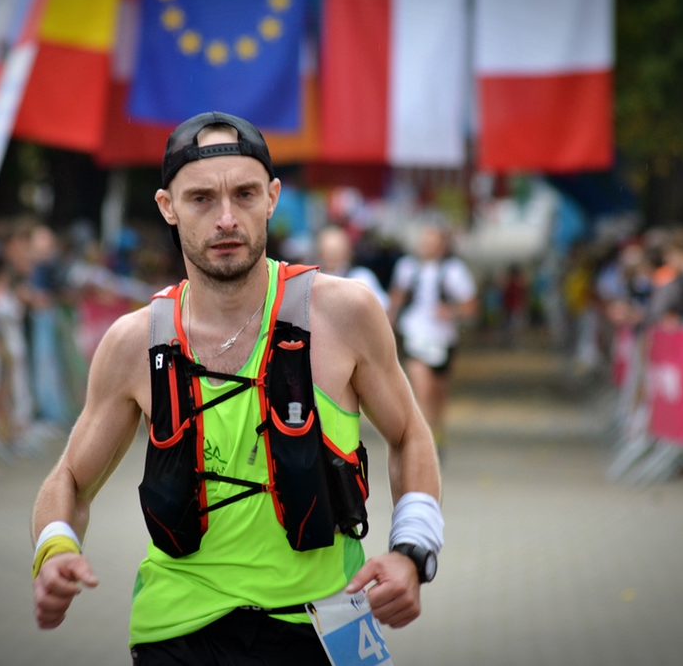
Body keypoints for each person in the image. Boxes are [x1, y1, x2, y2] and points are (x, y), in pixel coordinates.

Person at [30, 112, 442, 665]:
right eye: (201, 199)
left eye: (244, 194)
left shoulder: (343, 312)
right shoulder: (135, 342)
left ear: (271, 197)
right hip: (178, 628)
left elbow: (410, 434)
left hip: (327, 620)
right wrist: (55, 548)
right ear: (167, 206)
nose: (226, 218)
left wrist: (412, 550)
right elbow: (70, 480)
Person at [388, 223, 477, 453]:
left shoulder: (454, 271)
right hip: (414, 334)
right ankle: (423, 442)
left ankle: (437, 433)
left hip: (443, 339)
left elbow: (470, 306)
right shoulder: (407, 267)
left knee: (438, 394)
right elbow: (396, 298)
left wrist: (451, 311)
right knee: (422, 389)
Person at [316, 224, 389, 310]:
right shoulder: (315, 282)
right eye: (327, 252)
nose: (331, 257)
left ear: (347, 253)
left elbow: (384, 307)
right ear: (320, 254)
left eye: (336, 252)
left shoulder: (362, 278)